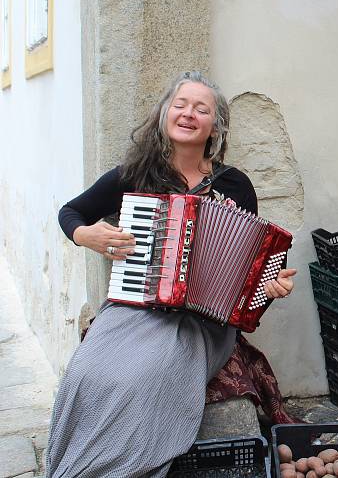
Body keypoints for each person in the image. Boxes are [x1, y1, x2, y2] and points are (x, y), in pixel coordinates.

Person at [47, 71, 297, 477]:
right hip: (136, 304)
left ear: (215, 127)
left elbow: (246, 278)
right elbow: (70, 212)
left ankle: (125, 467)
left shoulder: (234, 185)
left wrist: (266, 288)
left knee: (152, 372)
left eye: (202, 109)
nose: (188, 114)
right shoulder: (135, 175)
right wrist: (85, 235)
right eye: (180, 104)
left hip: (205, 322)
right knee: (85, 371)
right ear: (165, 113)